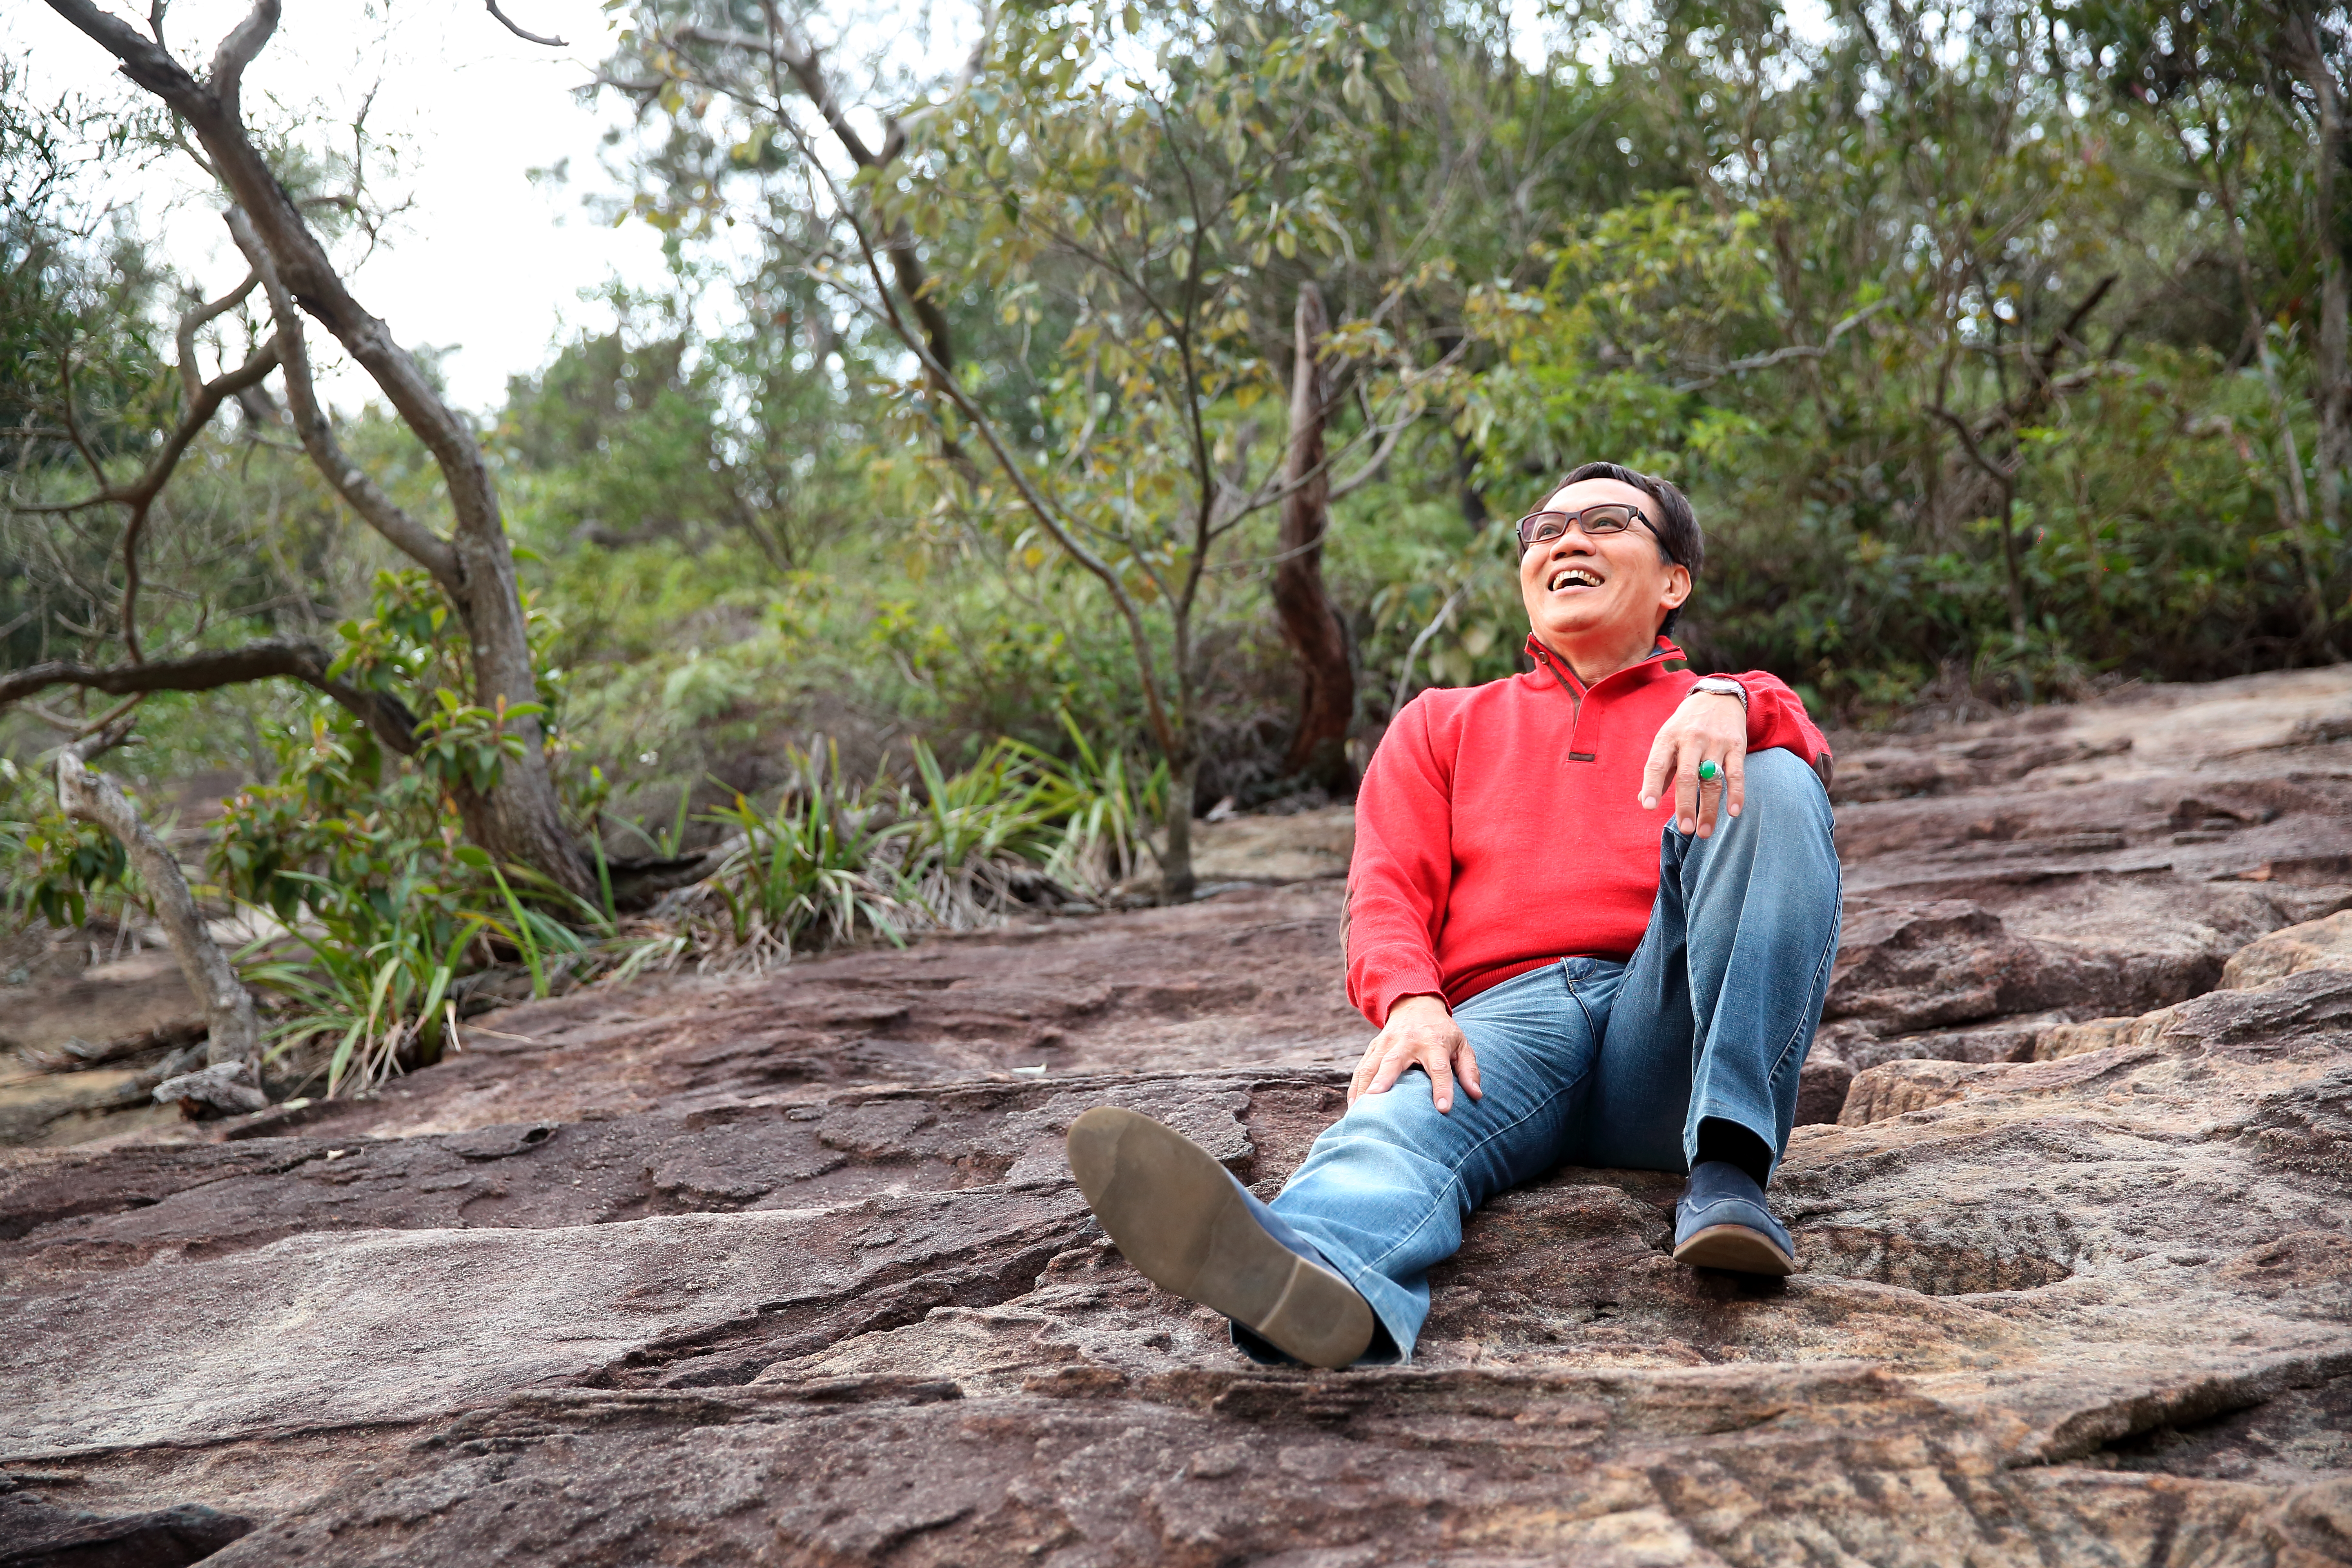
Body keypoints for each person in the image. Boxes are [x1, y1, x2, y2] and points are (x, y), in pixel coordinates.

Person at [1066, 461, 1841, 1370]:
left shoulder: (1720, 713)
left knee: (1778, 779)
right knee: (1401, 1119)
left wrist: (1739, 699)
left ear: (1674, 581)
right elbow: (1386, 885)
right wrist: (1410, 1004)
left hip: (1666, 1021)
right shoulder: (1441, 722)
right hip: (1508, 1023)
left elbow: (1806, 778)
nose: (1568, 541)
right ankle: (1314, 1272)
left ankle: (1730, 1172)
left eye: (1605, 522)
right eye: (1545, 531)